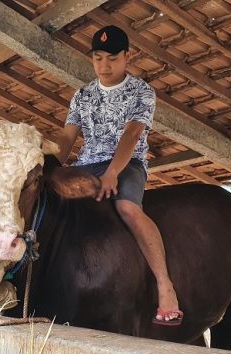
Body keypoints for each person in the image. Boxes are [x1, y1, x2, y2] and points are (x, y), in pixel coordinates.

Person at [55, 25, 182, 326]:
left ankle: (165, 286)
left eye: (112, 58)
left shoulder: (142, 91)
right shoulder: (82, 94)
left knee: (127, 208)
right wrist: (50, 169)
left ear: (128, 56)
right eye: (98, 58)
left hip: (128, 164)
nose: (104, 65)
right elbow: (67, 137)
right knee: (45, 201)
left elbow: (133, 133)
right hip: (86, 164)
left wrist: (113, 173)